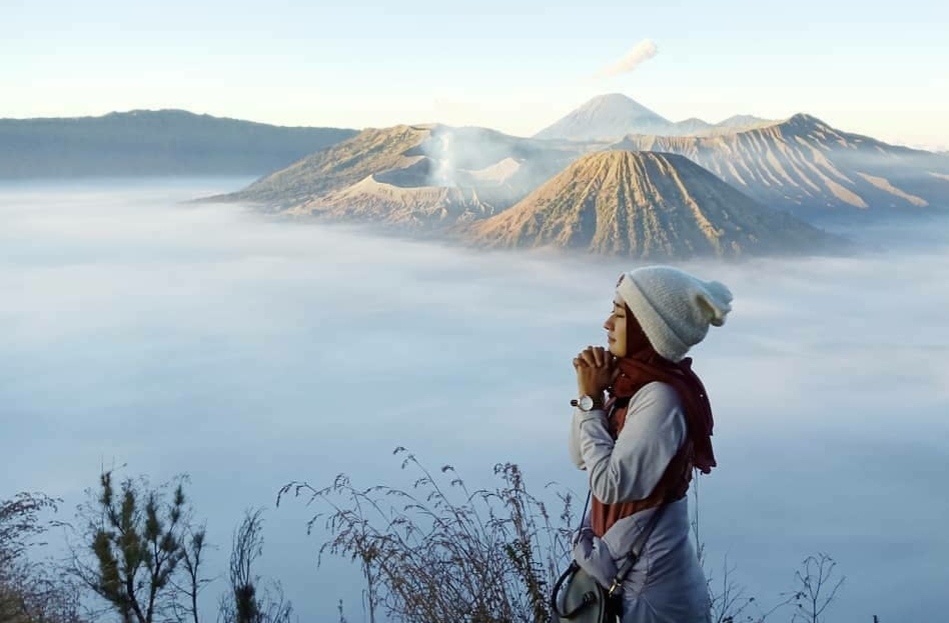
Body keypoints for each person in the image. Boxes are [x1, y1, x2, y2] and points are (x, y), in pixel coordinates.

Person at [568, 265, 733, 623]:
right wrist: (590, 396)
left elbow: (611, 486)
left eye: (619, 313)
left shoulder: (661, 398)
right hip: (626, 575)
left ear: (648, 326)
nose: (607, 324)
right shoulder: (630, 387)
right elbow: (581, 456)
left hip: (651, 590)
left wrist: (592, 402)